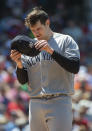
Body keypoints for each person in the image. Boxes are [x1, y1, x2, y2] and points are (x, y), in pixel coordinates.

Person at [10, 7, 80, 131]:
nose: (36, 33)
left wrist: (51, 51)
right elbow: (23, 81)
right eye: (33, 30)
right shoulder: (29, 46)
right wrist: (19, 64)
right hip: (35, 103)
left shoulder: (65, 40)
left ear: (47, 22)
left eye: (38, 28)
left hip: (59, 101)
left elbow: (74, 67)